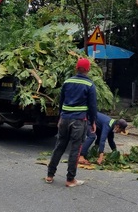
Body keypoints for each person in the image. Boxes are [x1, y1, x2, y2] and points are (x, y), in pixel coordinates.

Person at [45, 57, 97, 187]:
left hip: (64, 118)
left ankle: (49, 175)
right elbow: (92, 106)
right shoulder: (90, 85)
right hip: (79, 121)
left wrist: (60, 117)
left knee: (59, 146)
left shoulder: (67, 82)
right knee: (75, 149)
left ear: (76, 68)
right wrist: (93, 121)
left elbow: (61, 101)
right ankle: (70, 179)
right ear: (88, 69)